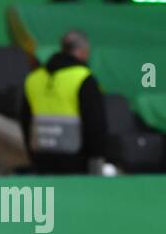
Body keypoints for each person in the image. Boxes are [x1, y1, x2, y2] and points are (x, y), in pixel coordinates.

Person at [20, 28, 107, 174]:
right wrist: (97, 158)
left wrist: (32, 154)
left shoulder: (33, 79)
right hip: (76, 161)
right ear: (83, 51)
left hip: (41, 157)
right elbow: (95, 122)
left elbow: (25, 120)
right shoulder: (83, 78)